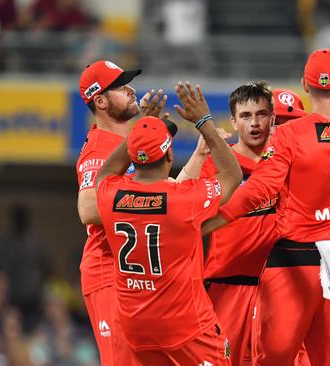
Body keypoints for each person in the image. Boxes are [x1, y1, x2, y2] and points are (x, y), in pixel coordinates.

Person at [203, 1, 330, 364]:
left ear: (305, 85)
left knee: (272, 360)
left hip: (293, 259)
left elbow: (259, 190)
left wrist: (212, 221)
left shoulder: (289, 135)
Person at [94, 81, 242, 364]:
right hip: (187, 330)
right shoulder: (184, 199)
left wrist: (140, 131)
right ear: (170, 156)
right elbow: (232, 176)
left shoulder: (111, 195)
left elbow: (105, 174)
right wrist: (204, 122)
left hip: (138, 331)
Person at [177, 81, 277, 366]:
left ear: (273, 118)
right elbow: (174, 206)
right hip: (225, 286)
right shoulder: (218, 165)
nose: (254, 123)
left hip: (276, 286)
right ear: (233, 122)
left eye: (261, 114)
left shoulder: (285, 162)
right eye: (245, 116)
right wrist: (198, 156)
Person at [75, 59, 167, 364]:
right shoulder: (99, 147)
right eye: (119, 86)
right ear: (100, 100)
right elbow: (88, 209)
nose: (130, 90)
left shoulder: (129, 143)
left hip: (135, 273)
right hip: (107, 272)